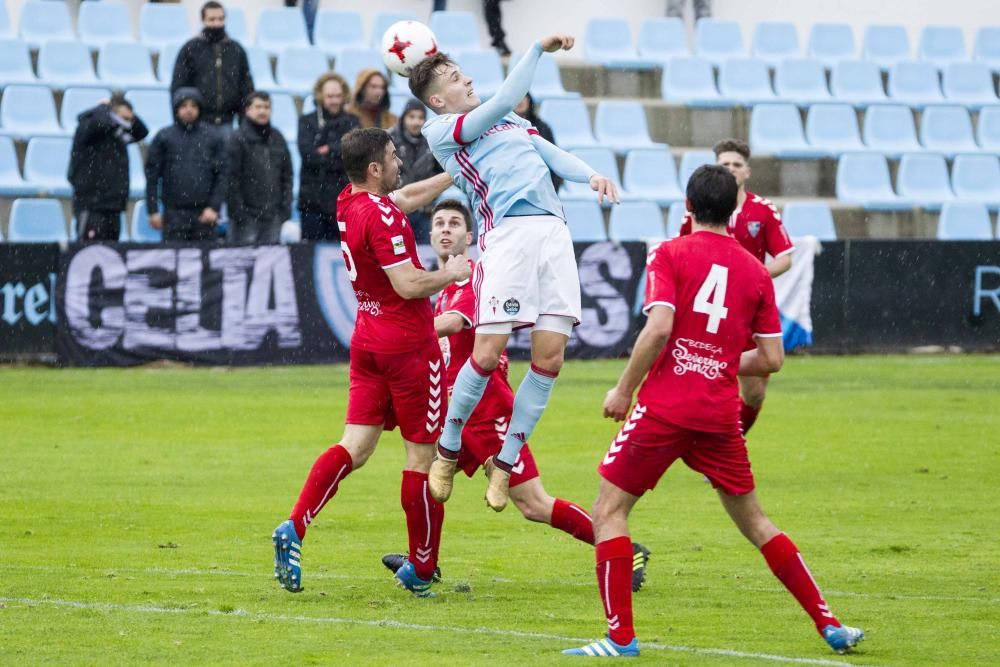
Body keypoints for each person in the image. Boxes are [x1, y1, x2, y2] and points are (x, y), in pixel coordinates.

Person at [563, 165, 864, 658]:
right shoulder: (755, 271)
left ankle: (620, 639)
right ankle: (828, 622)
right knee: (757, 523)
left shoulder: (670, 254)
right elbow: (772, 359)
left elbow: (659, 328)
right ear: (735, 211)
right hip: (720, 414)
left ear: (687, 206)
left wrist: (623, 388)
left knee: (609, 511)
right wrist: (719, 359)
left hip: (665, 408)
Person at [380, 200, 651, 591]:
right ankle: (424, 564)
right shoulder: (438, 285)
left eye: (455, 224)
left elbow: (455, 324)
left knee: (533, 504)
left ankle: (624, 547)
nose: (445, 229)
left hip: (488, 411)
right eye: (439, 222)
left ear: (469, 237)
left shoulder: (474, 277)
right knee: (422, 480)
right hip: (460, 413)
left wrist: (397, 333)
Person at [408, 35, 619, 512]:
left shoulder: (509, 120)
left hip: (554, 235)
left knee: (550, 359)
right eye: (457, 78)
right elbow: (505, 94)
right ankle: (448, 448)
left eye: (464, 73)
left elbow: (548, 153)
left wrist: (590, 175)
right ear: (439, 99)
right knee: (486, 353)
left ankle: (504, 464)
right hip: (508, 236)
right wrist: (537, 50)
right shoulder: (443, 130)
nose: (468, 80)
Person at [272, 128, 466, 597]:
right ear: (376, 167)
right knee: (421, 458)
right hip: (409, 347)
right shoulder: (382, 218)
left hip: (368, 340)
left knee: (355, 446)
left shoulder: (349, 201)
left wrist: (451, 175)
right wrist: (449, 274)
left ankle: (295, 527)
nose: (400, 160)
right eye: (394, 155)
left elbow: (403, 197)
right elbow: (406, 284)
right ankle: (422, 568)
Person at [679, 139, 794, 435]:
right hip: (712, 309)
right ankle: (711, 448)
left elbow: (785, 258)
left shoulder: (763, 211)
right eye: (724, 165)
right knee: (705, 381)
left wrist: (750, 278)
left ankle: (730, 442)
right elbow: (685, 252)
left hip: (749, 310)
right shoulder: (699, 212)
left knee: (754, 393)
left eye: (736, 165)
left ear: (747, 172)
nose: (730, 170)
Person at [145, 88, 225, 242]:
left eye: (194, 106)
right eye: (184, 106)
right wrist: (153, 211)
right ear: (176, 109)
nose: (189, 110)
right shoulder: (164, 137)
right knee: (174, 261)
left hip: (204, 214)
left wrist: (214, 208)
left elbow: (222, 175)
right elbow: (152, 176)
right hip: (173, 213)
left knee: (205, 263)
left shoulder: (213, 137)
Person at [68, 95, 148, 242]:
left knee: (111, 255)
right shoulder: (88, 127)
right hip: (91, 203)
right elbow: (100, 123)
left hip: (113, 204)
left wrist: (130, 116)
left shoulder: (118, 134)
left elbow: (142, 132)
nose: (127, 122)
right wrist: (103, 107)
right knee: (88, 251)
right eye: (123, 117)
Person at [171, 1, 254, 138]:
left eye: (220, 19)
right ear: (203, 20)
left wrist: (244, 121)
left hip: (228, 122)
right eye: (212, 19)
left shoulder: (236, 50)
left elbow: (246, 86)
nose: (217, 24)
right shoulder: (190, 49)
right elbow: (178, 86)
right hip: (197, 124)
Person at [297, 72, 360, 241]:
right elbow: (308, 155)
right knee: (309, 256)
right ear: (320, 96)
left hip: (342, 203)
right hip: (312, 202)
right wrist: (337, 152)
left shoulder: (353, 121)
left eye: (338, 96)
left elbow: (353, 156)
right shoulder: (306, 121)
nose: (334, 101)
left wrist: (328, 150)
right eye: (330, 96)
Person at [224, 91, 293, 244]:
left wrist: (284, 210)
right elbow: (230, 179)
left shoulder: (278, 138)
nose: (263, 111)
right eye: (258, 107)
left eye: (267, 107)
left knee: (268, 265)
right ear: (248, 110)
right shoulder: (237, 139)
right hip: (246, 219)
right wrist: (239, 214)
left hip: (273, 216)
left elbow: (287, 175)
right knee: (242, 263)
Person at [388, 99, 442, 243]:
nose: (416, 122)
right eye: (412, 117)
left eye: (420, 117)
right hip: (396, 209)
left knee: (425, 253)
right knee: (398, 252)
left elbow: (440, 172)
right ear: (403, 118)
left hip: (424, 210)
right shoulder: (388, 140)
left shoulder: (432, 140)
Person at [513, 93, 560, 191]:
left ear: (529, 100)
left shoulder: (543, 127)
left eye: (523, 97)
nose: (520, 101)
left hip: (542, 185)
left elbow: (553, 159)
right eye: (516, 97)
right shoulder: (501, 129)